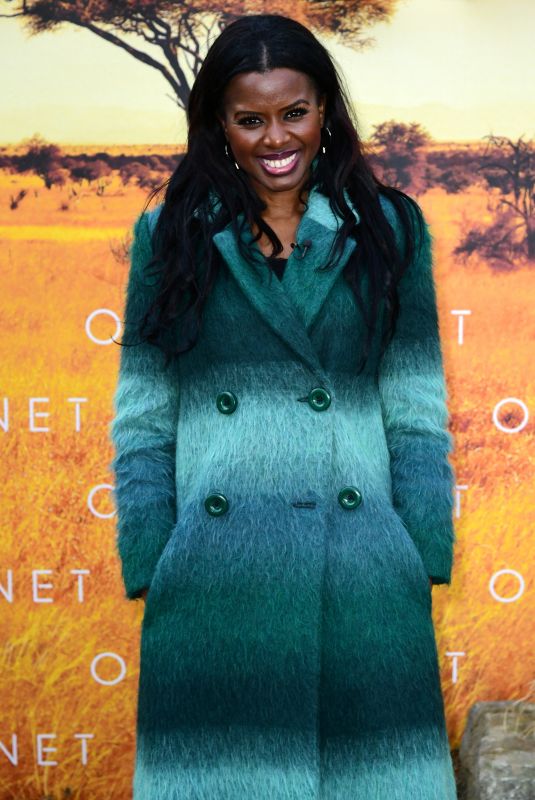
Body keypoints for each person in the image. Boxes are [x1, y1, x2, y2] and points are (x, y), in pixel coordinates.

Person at [110, 12, 458, 800]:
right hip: (214, 576)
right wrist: (156, 559)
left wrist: (418, 551)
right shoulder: (169, 235)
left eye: (293, 112)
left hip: (361, 571)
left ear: (324, 110)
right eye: (250, 119)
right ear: (218, 126)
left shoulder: (389, 229)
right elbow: (143, 415)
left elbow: (412, 404)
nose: (276, 137)